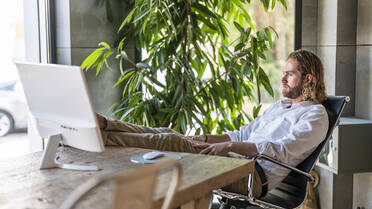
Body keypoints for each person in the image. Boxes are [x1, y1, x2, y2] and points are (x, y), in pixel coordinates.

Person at [96, 49, 329, 199]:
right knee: (171, 134)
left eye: (289, 74)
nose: (282, 79)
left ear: (307, 78)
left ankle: (102, 137)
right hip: (235, 162)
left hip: (253, 175)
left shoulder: (316, 116)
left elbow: (280, 151)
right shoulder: (282, 107)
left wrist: (228, 148)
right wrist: (207, 139)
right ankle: (105, 125)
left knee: (170, 142)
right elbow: (242, 134)